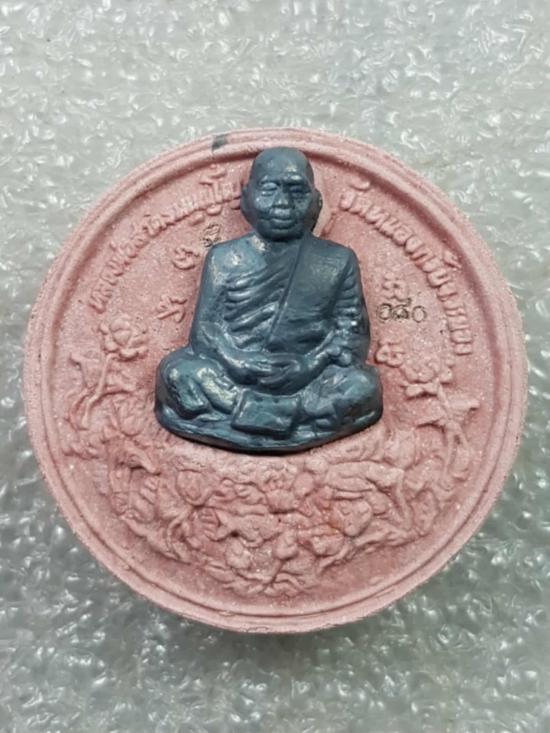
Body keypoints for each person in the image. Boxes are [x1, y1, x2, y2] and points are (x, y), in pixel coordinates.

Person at [155, 147, 382, 452]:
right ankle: (285, 417)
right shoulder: (225, 258)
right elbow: (205, 331)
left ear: (316, 201)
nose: (283, 203)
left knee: (363, 385)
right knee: (176, 372)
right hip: (234, 376)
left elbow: (351, 335)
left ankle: (253, 415)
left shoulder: (336, 260)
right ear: (246, 199)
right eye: (269, 190)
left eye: (296, 191)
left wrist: (308, 365)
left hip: (308, 378)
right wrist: (237, 361)